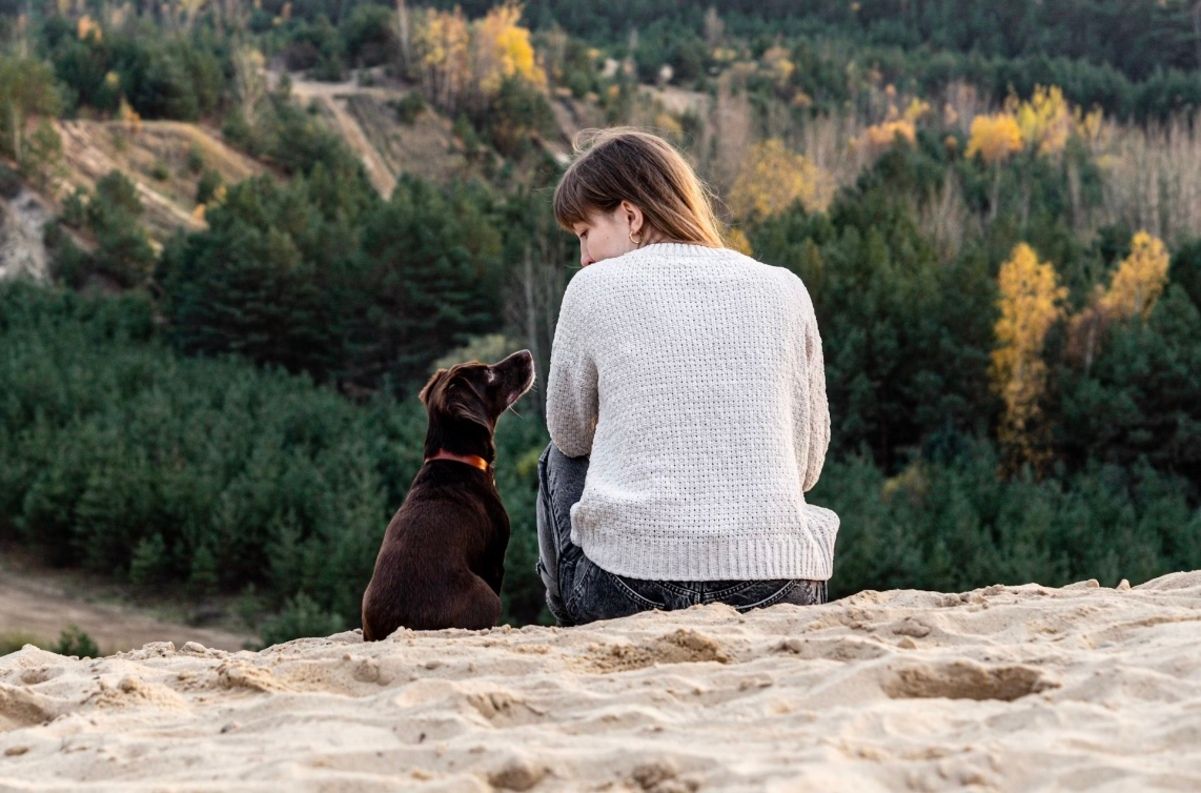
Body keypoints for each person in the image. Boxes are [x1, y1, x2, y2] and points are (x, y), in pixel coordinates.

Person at [536, 127, 839, 626]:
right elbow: (805, 470)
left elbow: (568, 434)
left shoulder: (593, 285)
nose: (583, 256)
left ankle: (572, 624)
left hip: (628, 588)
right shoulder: (785, 287)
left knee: (558, 458)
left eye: (585, 233)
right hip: (778, 586)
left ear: (630, 216)